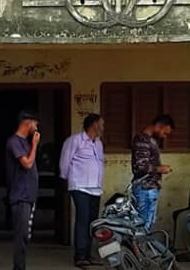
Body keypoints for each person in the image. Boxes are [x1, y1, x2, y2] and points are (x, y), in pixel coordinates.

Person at [59, 113, 105, 267]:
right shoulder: (75, 140)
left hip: (95, 188)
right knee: (83, 220)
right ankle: (80, 256)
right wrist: (66, 181)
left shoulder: (98, 143)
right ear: (94, 125)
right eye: (101, 124)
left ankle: (88, 254)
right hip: (80, 186)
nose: (103, 127)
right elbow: (64, 162)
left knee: (92, 223)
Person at [7, 111, 40, 270]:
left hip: (28, 196)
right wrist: (35, 145)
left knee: (25, 236)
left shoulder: (25, 142)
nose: (36, 128)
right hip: (21, 196)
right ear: (28, 122)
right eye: (35, 124)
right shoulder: (14, 142)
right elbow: (27, 163)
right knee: (21, 237)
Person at [131, 114, 174, 231]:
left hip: (149, 189)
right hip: (145, 189)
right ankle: (139, 243)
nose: (165, 137)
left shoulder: (150, 140)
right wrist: (160, 169)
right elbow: (140, 167)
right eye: (165, 133)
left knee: (147, 224)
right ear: (159, 126)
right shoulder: (142, 140)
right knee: (143, 227)